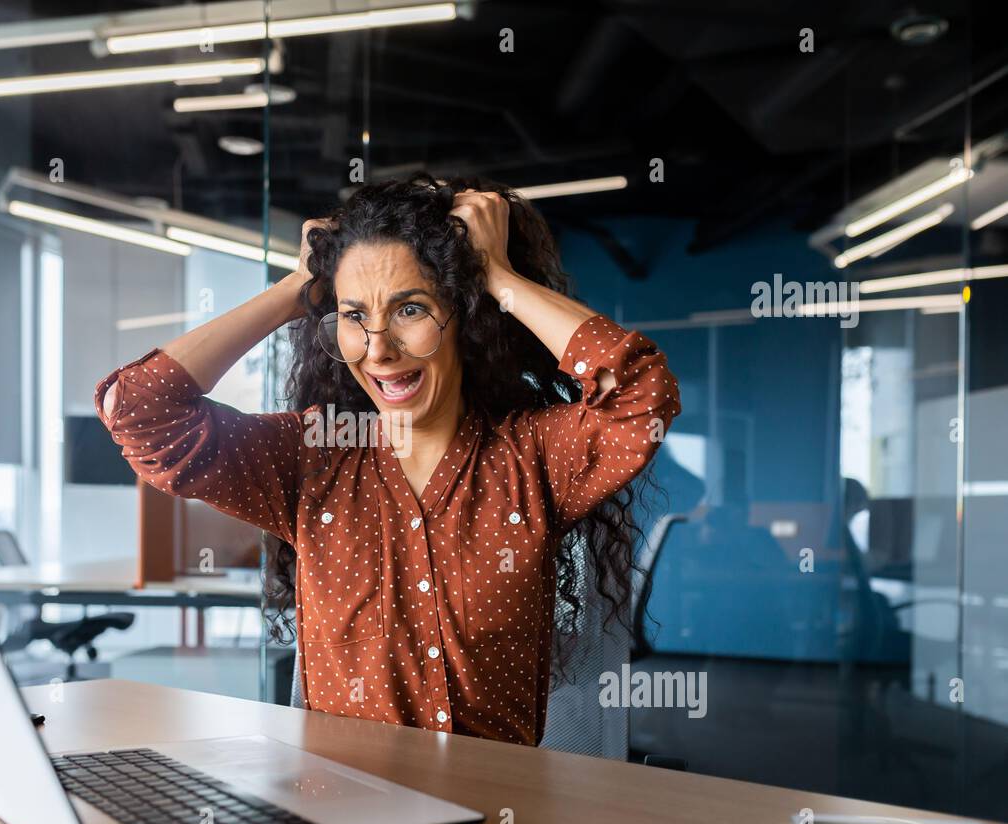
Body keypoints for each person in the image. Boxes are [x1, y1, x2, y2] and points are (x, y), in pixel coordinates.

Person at [96, 173, 682, 746]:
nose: (378, 349)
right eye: (354, 316)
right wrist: (294, 289)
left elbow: (641, 395)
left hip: (498, 816)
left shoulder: (533, 458)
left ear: (466, 318)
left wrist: (498, 278)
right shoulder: (312, 457)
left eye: (409, 310)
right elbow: (138, 409)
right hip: (346, 815)